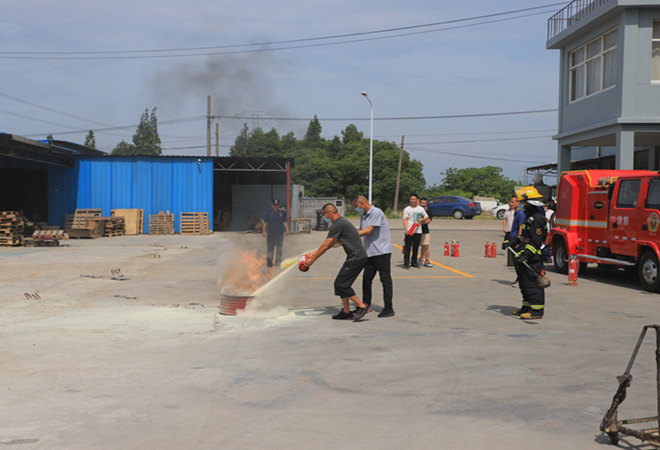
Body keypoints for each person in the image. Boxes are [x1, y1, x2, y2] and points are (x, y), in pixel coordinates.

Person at [303, 203, 370, 321]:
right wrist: (314, 252)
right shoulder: (341, 222)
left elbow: (326, 245)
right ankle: (346, 312)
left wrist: (311, 261)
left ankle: (362, 306)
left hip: (357, 258)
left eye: (324, 215)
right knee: (339, 284)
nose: (324, 218)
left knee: (341, 285)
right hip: (354, 257)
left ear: (329, 213)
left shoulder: (337, 224)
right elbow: (331, 244)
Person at [507, 187, 548, 320]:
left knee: (533, 285)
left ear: (529, 203)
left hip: (532, 258)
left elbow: (536, 242)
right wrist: (513, 241)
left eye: (523, 203)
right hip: (524, 255)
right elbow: (525, 236)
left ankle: (536, 311)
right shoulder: (529, 217)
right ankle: (526, 307)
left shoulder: (537, 219)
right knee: (524, 284)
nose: (522, 205)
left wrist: (526, 255)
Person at [352, 195, 395, 318]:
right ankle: (365, 304)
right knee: (366, 279)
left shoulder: (376, 212)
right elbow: (361, 231)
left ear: (361, 204)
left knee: (385, 280)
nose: (357, 209)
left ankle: (388, 308)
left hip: (382, 252)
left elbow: (368, 230)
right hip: (370, 252)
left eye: (356, 206)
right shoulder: (363, 215)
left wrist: (350, 236)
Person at [402, 194, 430, 269]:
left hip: (418, 231)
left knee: (416, 247)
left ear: (417, 200)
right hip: (409, 230)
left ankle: (414, 262)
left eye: (414, 199)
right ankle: (406, 262)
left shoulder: (420, 209)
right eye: (411, 199)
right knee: (407, 247)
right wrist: (406, 230)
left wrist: (421, 219)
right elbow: (405, 220)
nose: (412, 201)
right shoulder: (406, 209)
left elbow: (427, 217)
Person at [262, 199, 289, 267]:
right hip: (271, 234)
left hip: (279, 234)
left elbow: (285, 222)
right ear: (272, 205)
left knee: (279, 248)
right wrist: (264, 231)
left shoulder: (282, 213)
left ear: (279, 205)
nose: (275, 206)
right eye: (274, 205)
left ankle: (278, 261)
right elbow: (265, 222)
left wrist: (287, 230)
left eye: (277, 205)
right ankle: (269, 261)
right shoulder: (268, 213)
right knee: (270, 248)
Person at [506, 196, 525, 287]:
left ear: (518, 203)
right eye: (510, 202)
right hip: (512, 239)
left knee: (518, 262)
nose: (511, 204)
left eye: (513, 202)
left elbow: (521, 227)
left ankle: (520, 279)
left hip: (517, 240)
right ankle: (519, 278)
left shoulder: (521, 214)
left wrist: (518, 241)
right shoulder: (515, 213)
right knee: (515, 262)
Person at [419, 197, 434, 267]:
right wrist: (424, 220)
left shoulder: (428, 211)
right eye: (422, 203)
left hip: (425, 230)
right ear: (419, 203)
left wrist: (421, 221)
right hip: (416, 230)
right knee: (416, 246)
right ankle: (416, 259)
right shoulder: (417, 210)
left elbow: (429, 220)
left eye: (425, 203)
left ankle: (427, 260)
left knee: (426, 245)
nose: (423, 204)